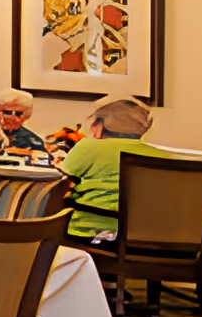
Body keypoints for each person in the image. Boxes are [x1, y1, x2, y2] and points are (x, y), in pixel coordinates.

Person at [61, 97, 171, 240]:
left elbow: (60, 180)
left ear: (100, 125)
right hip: (144, 236)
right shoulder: (162, 156)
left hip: (91, 230)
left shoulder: (89, 147)